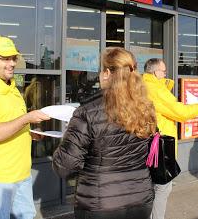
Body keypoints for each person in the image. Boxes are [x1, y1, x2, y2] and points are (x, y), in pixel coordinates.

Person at [52, 47, 157, 219]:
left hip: (100, 204)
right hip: (140, 199)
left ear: (107, 73)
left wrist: (67, 139)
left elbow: (65, 167)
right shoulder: (145, 108)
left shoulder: (87, 112)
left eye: (101, 70)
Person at [0, 35, 50, 219]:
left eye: (13, 58)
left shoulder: (11, 88)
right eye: (5, 59)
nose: (12, 63)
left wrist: (30, 133)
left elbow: (10, 124)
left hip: (20, 173)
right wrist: (26, 118)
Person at [143, 58, 198, 219]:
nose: (165, 73)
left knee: (151, 186)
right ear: (155, 72)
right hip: (160, 145)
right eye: (163, 71)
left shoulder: (142, 85)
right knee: (163, 186)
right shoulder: (156, 89)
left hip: (147, 143)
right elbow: (179, 112)